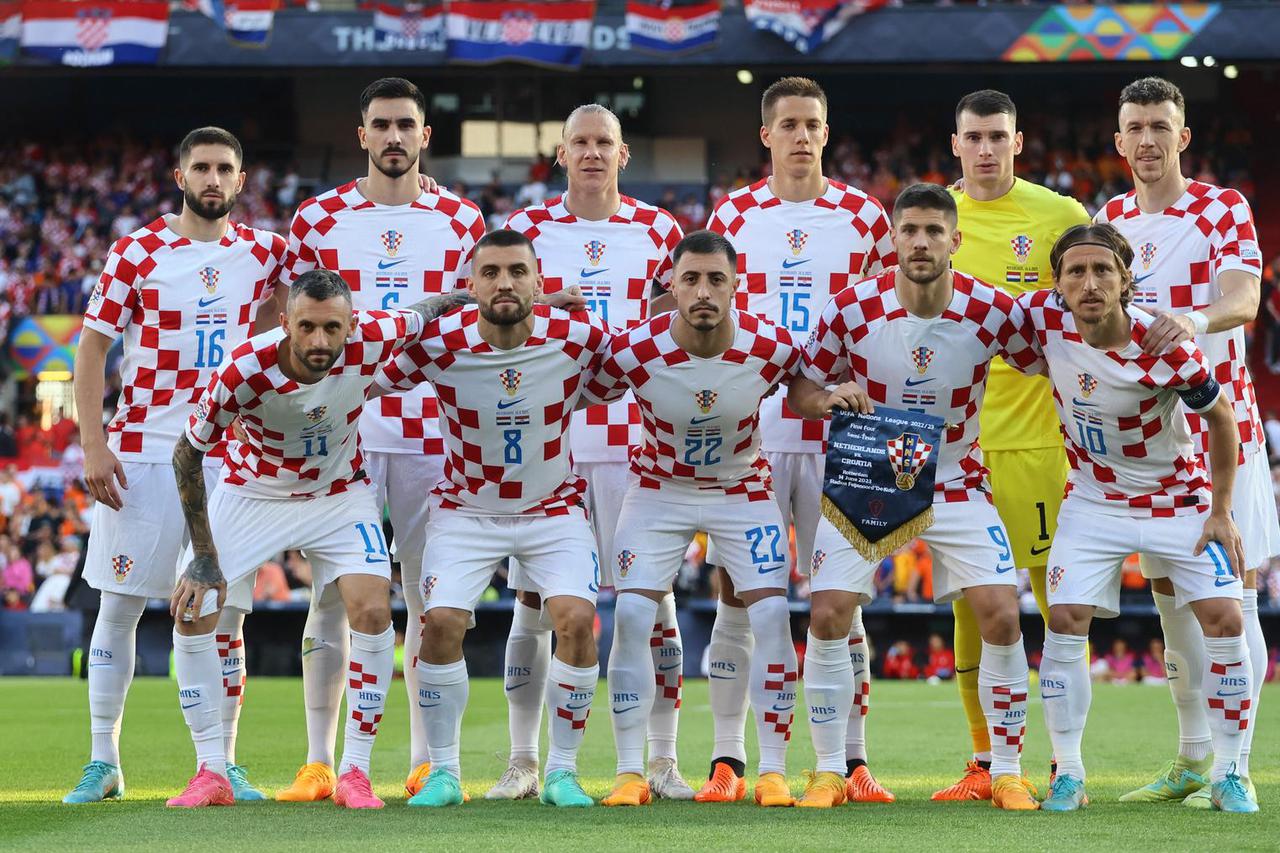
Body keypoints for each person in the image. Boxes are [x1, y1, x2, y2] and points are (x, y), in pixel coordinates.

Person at [167, 270, 467, 809]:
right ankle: (210, 769)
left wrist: (483, 295)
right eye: (306, 327)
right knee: (194, 609)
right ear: (285, 323)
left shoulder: (375, 335)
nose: (320, 342)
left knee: (374, 610)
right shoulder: (244, 370)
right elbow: (186, 455)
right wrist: (205, 558)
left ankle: (355, 772)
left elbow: (430, 307)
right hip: (254, 492)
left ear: (352, 325)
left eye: (333, 329)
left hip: (339, 493)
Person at [787, 183, 1042, 811]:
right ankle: (828, 772)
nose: (921, 242)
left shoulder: (993, 310)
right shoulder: (851, 309)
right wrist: (827, 400)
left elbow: (1050, 358)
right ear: (893, 239)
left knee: (1003, 615)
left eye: (934, 231)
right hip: (872, 471)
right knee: (826, 615)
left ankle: (1006, 770)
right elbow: (800, 388)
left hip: (957, 477)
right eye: (910, 231)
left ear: (956, 239)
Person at [277, 77, 486, 802]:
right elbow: (297, 332)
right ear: (361, 134)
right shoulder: (317, 219)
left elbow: (471, 328)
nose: (393, 136)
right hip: (345, 429)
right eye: (381, 125)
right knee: (332, 594)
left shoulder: (463, 219)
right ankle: (318, 759)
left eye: (406, 125)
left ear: (425, 136)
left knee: (431, 597)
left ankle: (425, 758)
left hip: (435, 428)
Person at [64, 127, 285, 805]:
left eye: (225, 168)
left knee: (224, 614)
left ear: (241, 180)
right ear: (180, 175)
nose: (213, 179)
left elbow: (291, 320)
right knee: (121, 605)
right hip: (143, 453)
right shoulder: (138, 250)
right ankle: (104, 759)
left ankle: (220, 763)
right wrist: (94, 443)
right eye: (202, 168)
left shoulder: (265, 253)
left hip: (229, 460)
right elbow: (92, 351)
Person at [697, 75, 897, 806]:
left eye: (813, 123)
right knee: (739, 591)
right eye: (788, 124)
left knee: (844, 601)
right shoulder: (735, 214)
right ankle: (730, 759)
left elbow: (888, 320)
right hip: (755, 429)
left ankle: (851, 761)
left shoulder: (865, 216)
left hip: (849, 428)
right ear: (766, 135)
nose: (802, 135)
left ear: (826, 130)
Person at [1017, 223, 1256, 813]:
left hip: (1179, 499)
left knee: (1225, 619)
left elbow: (1222, 420)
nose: (1090, 282)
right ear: (1058, 284)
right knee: (1066, 617)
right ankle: (1068, 774)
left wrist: (1221, 512)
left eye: (1103, 271)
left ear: (1126, 280)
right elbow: (967, 315)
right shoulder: (1044, 322)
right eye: (1076, 271)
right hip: (1095, 500)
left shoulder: (1165, 344)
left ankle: (1229, 772)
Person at [374, 229, 609, 809]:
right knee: (439, 625)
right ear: (470, 284)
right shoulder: (440, 345)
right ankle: (445, 773)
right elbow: (368, 369)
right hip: (466, 507)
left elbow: (642, 365)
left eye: (517, 272)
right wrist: (416, 314)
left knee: (577, 620)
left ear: (539, 281)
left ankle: (561, 772)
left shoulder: (577, 338)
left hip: (553, 507)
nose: (504, 282)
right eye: (491, 272)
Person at [497, 103, 688, 801]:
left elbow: (678, 327)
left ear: (623, 153)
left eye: (604, 142)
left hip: (641, 444)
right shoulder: (530, 232)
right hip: (553, 445)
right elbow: (495, 323)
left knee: (655, 599)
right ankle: (524, 759)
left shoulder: (660, 230)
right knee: (533, 601)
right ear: (559, 152)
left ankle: (660, 759)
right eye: (579, 142)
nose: (592, 153)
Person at [1097, 77, 1273, 808]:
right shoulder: (1106, 219)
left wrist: (1193, 322)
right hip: (1147, 445)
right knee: (1170, 598)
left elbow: (1245, 297)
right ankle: (1192, 757)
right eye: (1134, 126)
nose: (1146, 139)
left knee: (1237, 597)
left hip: (1221, 428)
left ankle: (1237, 765)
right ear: (1117, 140)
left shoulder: (1220, 208)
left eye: (1159, 126)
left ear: (1183, 136)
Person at [579, 230, 802, 808]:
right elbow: (576, 391)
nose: (704, 291)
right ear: (671, 288)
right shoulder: (634, 348)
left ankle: (771, 772)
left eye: (716, 279)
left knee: (774, 616)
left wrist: (835, 397)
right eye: (691, 279)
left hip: (742, 488)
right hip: (658, 488)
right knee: (630, 613)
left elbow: (805, 392)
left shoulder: (771, 346)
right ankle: (631, 773)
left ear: (737, 287)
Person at [935, 90, 1091, 801]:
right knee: (971, 607)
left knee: (1058, 601)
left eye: (999, 136)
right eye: (975, 137)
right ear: (956, 144)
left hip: (1038, 442)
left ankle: (1065, 762)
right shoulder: (931, 216)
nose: (987, 149)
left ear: (1019, 141)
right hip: (954, 447)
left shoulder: (1060, 216)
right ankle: (981, 761)